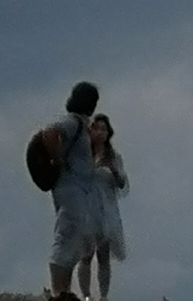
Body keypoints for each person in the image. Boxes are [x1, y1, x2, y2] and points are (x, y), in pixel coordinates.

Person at [33, 81, 100, 299]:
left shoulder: (79, 124)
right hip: (70, 189)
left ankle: (63, 289)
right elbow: (49, 133)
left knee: (75, 237)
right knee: (67, 234)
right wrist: (57, 159)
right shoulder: (72, 122)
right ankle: (57, 290)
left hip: (78, 191)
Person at [75, 114, 128, 299]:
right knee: (86, 255)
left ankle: (104, 296)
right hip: (87, 210)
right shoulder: (82, 156)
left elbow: (122, 183)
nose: (100, 133)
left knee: (104, 256)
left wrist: (112, 169)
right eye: (97, 128)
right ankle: (86, 296)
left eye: (104, 129)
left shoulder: (113, 157)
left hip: (106, 211)